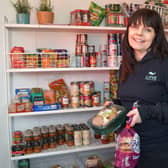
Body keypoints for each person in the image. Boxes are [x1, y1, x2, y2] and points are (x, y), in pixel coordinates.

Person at [117, 8, 168, 167]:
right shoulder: (126, 64)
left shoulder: (164, 63)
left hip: (157, 149)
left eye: (147, 29)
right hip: (127, 145)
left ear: (156, 36)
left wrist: (145, 112)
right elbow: (127, 98)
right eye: (134, 27)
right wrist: (115, 108)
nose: (139, 33)